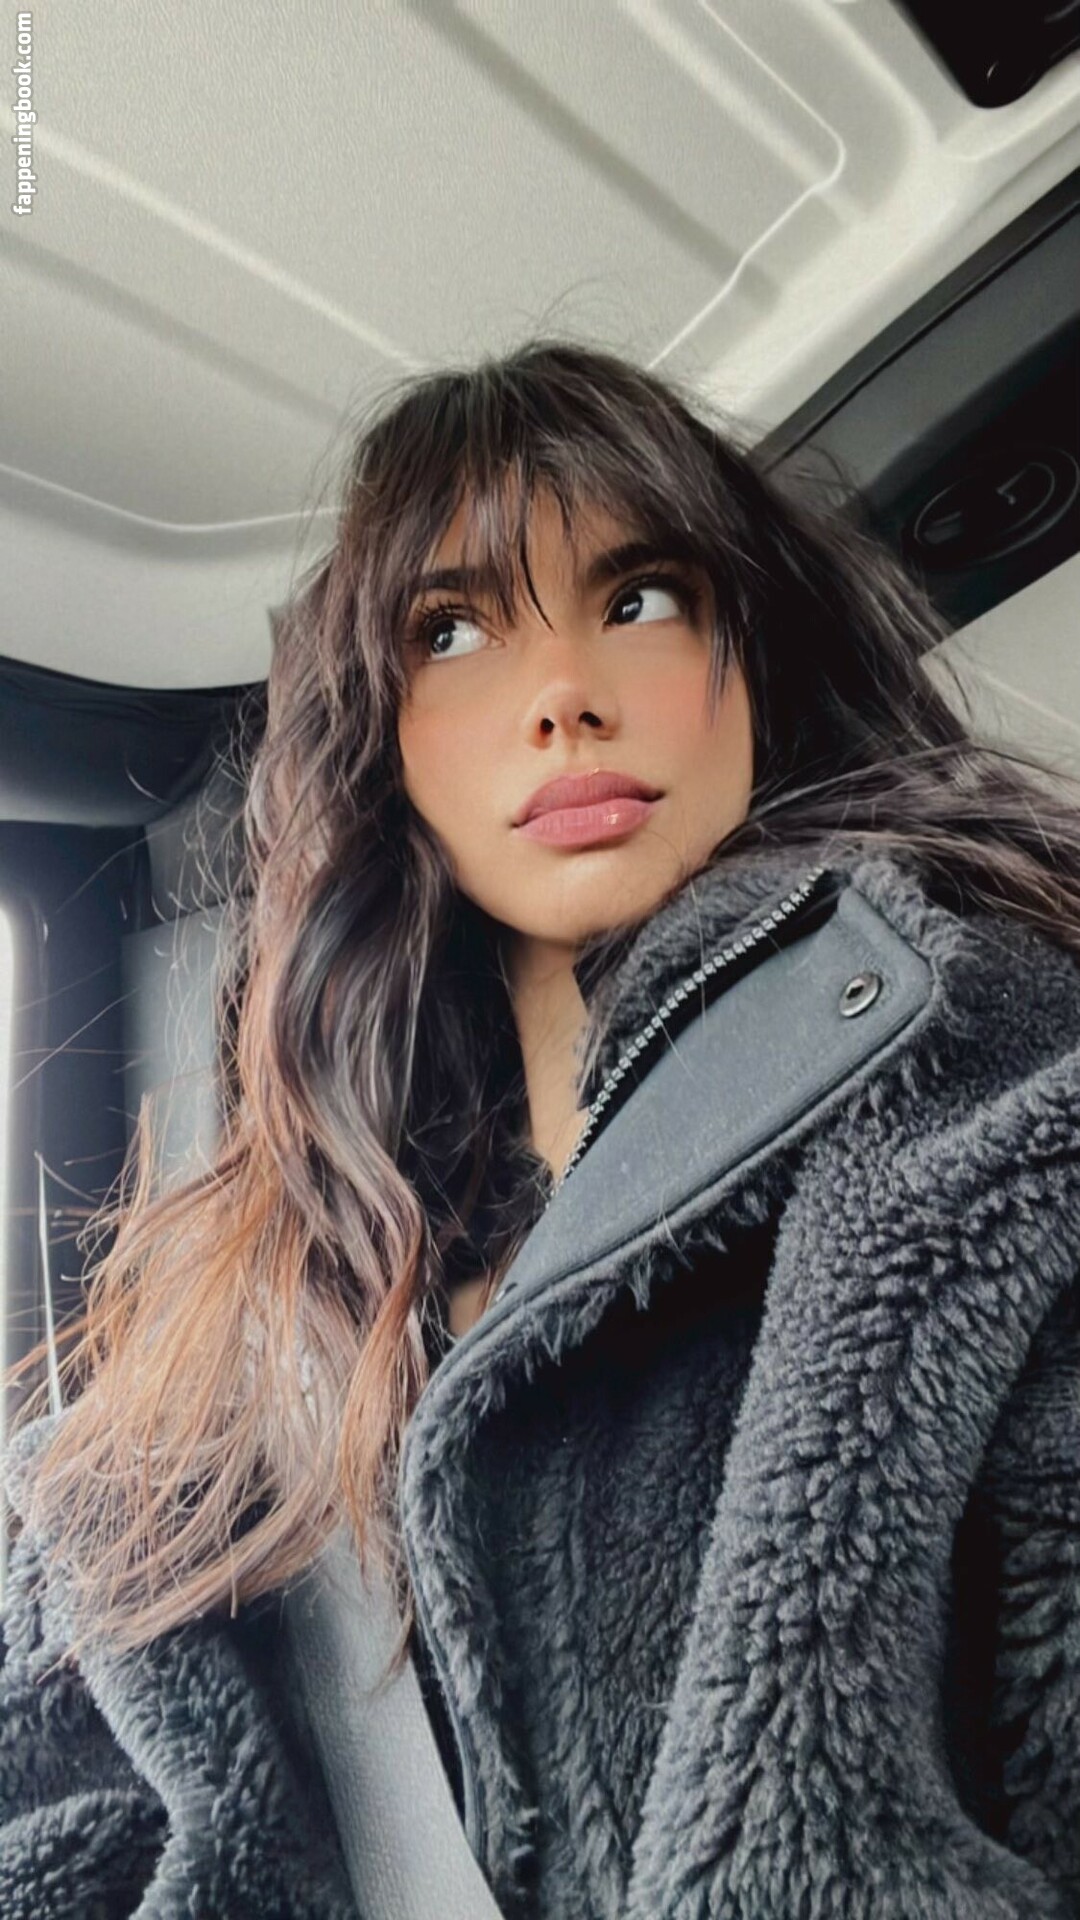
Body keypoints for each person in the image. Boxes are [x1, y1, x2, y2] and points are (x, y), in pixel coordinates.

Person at [3, 339, 1080, 1920]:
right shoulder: (238, 1305)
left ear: (755, 659)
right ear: (385, 735)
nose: (564, 695)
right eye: (451, 631)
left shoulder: (991, 1073)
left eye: (641, 599)